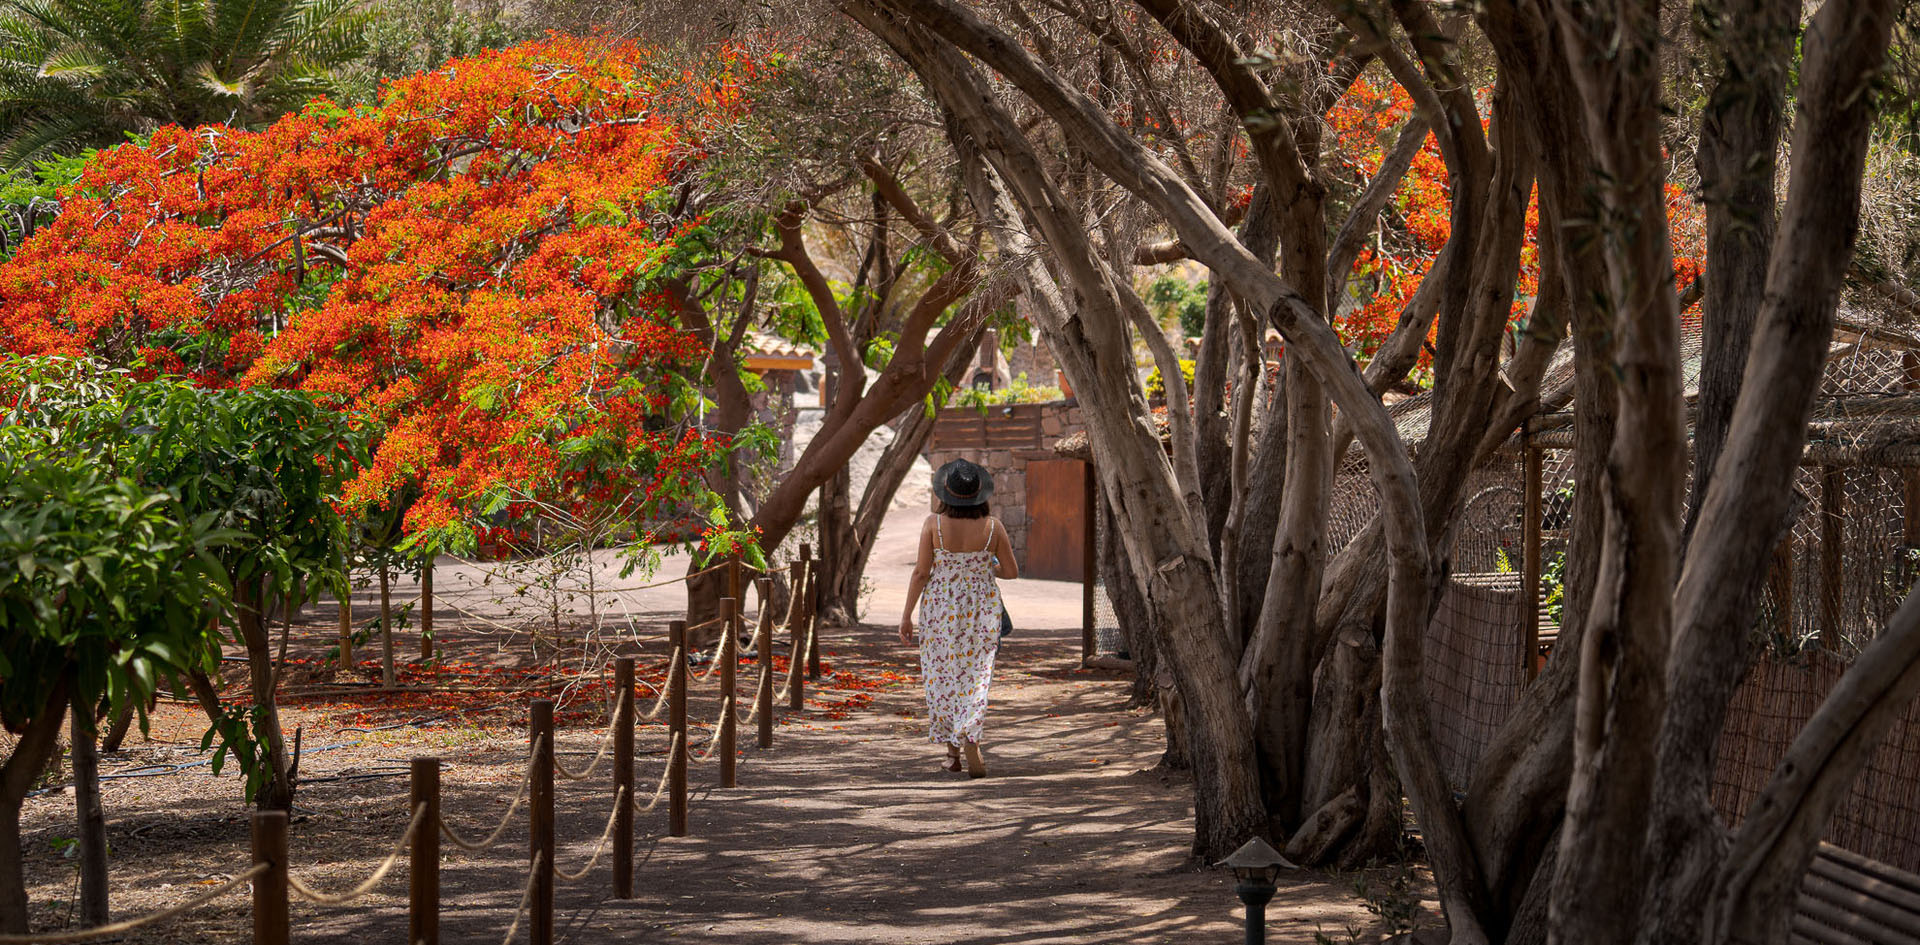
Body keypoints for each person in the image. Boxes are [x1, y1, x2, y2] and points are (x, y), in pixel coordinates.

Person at [899, 458, 1018, 778]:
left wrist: (906, 615)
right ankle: (970, 733)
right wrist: (982, 567)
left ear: (945, 494)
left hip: (940, 611)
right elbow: (1011, 571)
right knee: (977, 676)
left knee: (942, 678)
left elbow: (922, 572)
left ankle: (952, 754)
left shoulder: (932, 525)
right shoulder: (994, 527)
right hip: (982, 610)